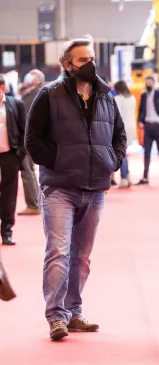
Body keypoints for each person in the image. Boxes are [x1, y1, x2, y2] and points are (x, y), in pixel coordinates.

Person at [25, 35, 126, 341]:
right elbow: (32, 140)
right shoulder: (49, 95)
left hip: (95, 189)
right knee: (59, 252)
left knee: (82, 257)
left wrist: (111, 162)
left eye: (91, 58)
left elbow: (119, 135)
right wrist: (58, 162)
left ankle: (75, 311)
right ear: (67, 65)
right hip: (59, 188)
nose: (90, 64)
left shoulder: (105, 95)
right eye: (83, 60)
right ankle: (56, 316)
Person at [0, 74, 26, 246]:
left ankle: (7, 232)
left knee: (9, 194)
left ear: (2, 87)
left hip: (10, 154)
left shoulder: (16, 104)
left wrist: (20, 153)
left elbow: (25, 130)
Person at [17, 69, 45, 216]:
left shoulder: (35, 95)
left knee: (27, 170)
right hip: (29, 137)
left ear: (37, 80)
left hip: (26, 138)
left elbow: (25, 118)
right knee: (28, 171)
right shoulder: (29, 93)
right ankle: (35, 203)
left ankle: (33, 204)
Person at [113, 80, 137, 188]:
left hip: (121, 128)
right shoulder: (132, 98)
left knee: (121, 153)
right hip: (131, 127)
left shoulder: (117, 99)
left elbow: (116, 115)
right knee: (124, 152)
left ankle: (124, 178)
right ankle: (127, 176)